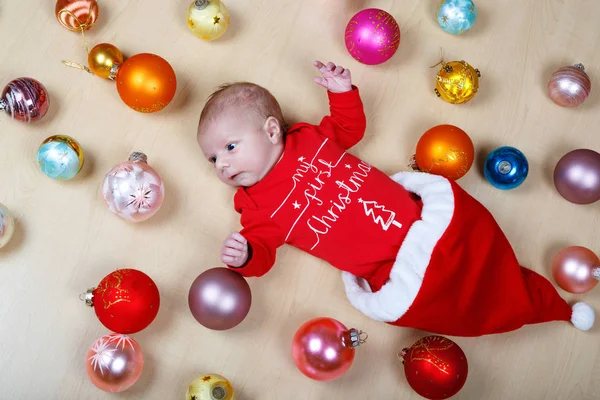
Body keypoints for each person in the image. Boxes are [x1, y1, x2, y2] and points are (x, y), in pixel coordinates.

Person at [196, 60, 594, 337]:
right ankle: (536, 307)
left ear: (270, 131)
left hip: (425, 223)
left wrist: (342, 92)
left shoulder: (308, 140)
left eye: (230, 147)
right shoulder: (256, 207)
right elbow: (263, 251)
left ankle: (542, 303)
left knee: (483, 262)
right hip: (391, 269)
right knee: (458, 303)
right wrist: (246, 255)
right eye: (212, 157)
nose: (222, 165)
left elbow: (349, 130)